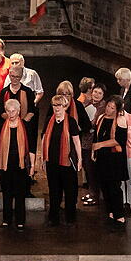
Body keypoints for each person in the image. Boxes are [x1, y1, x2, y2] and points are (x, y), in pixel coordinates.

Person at [0, 99, 35, 228]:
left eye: (13, 111)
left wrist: (32, 166)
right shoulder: (0, 126)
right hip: (4, 164)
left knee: (20, 193)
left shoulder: (26, 126)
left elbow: (31, 148)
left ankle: (20, 221)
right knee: (6, 193)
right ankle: (6, 220)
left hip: (21, 165)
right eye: (8, 111)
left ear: (19, 110)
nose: (11, 114)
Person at [42, 95, 82, 226]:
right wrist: (43, 157)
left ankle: (70, 217)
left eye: (59, 105)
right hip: (52, 161)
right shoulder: (49, 120)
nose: (57, 108)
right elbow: (44, 139)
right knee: (54, 190)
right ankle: (54, 217)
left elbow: (76, 141)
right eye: (54, 105)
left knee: (69, 190)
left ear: (65, 106)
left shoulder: (71, 122)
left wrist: (80, 159)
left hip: (67, 162)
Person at [91, 96, 129, 224]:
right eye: (108, 106)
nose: (109, 109)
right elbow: (96, 137)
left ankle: (119, 213)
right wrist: (94, 151)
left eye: (112, 108)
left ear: (117, 109)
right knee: (104, 185)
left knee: (114, 187)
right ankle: (110, 210)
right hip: (102, 157)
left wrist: (100, 145)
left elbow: (119, 140)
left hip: (114, 159)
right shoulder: (101, 118)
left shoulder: (120, 120)